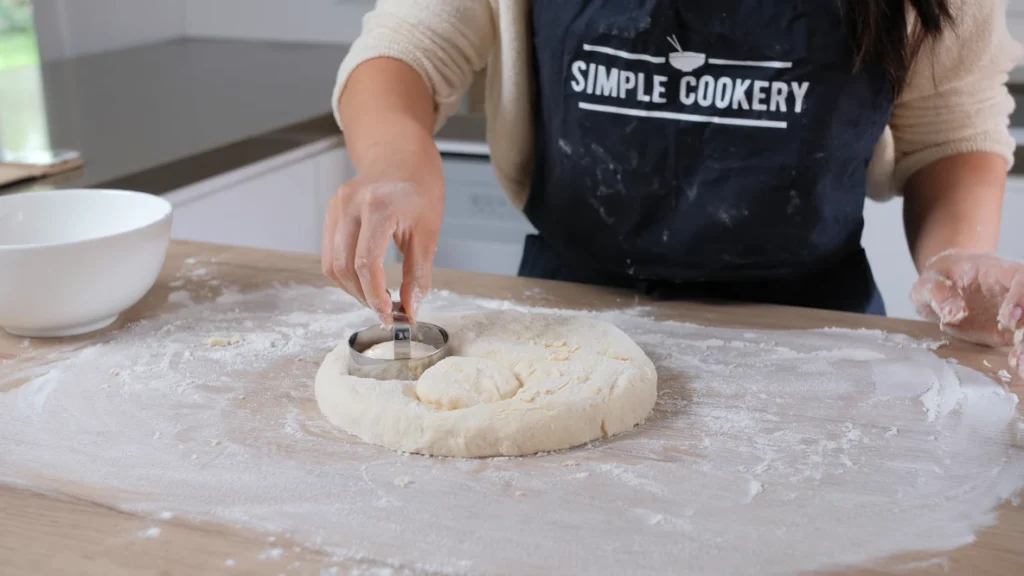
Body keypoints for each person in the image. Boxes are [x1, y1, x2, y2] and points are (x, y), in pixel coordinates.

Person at [321, 0, 1024, 378]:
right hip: (563, 329)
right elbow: (406, 46)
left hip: (817, 345)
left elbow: (951, 128)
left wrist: (957, 259)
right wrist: (396, 164)